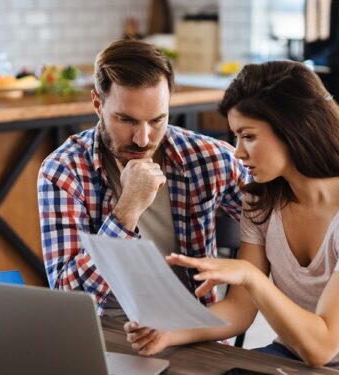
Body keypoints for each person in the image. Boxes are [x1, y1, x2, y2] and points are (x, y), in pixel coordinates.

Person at [124, 61, 339, 375]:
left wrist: (251, 276)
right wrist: (168, 332)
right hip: (294, 358)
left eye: (248, 136)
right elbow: (238, 310)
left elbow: (322, 346)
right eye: (236, 137)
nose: (238, 152)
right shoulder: (262, 200)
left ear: (294, 130)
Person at [37, 39, 249, 316]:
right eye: (126, 120)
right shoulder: (64, 171)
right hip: (105, 335)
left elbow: (278, 224)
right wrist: (127, 210)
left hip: (194, 333)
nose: (143, 139)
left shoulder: (208, 158)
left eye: (157, 120)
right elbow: (69, 299)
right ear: (98, 104)